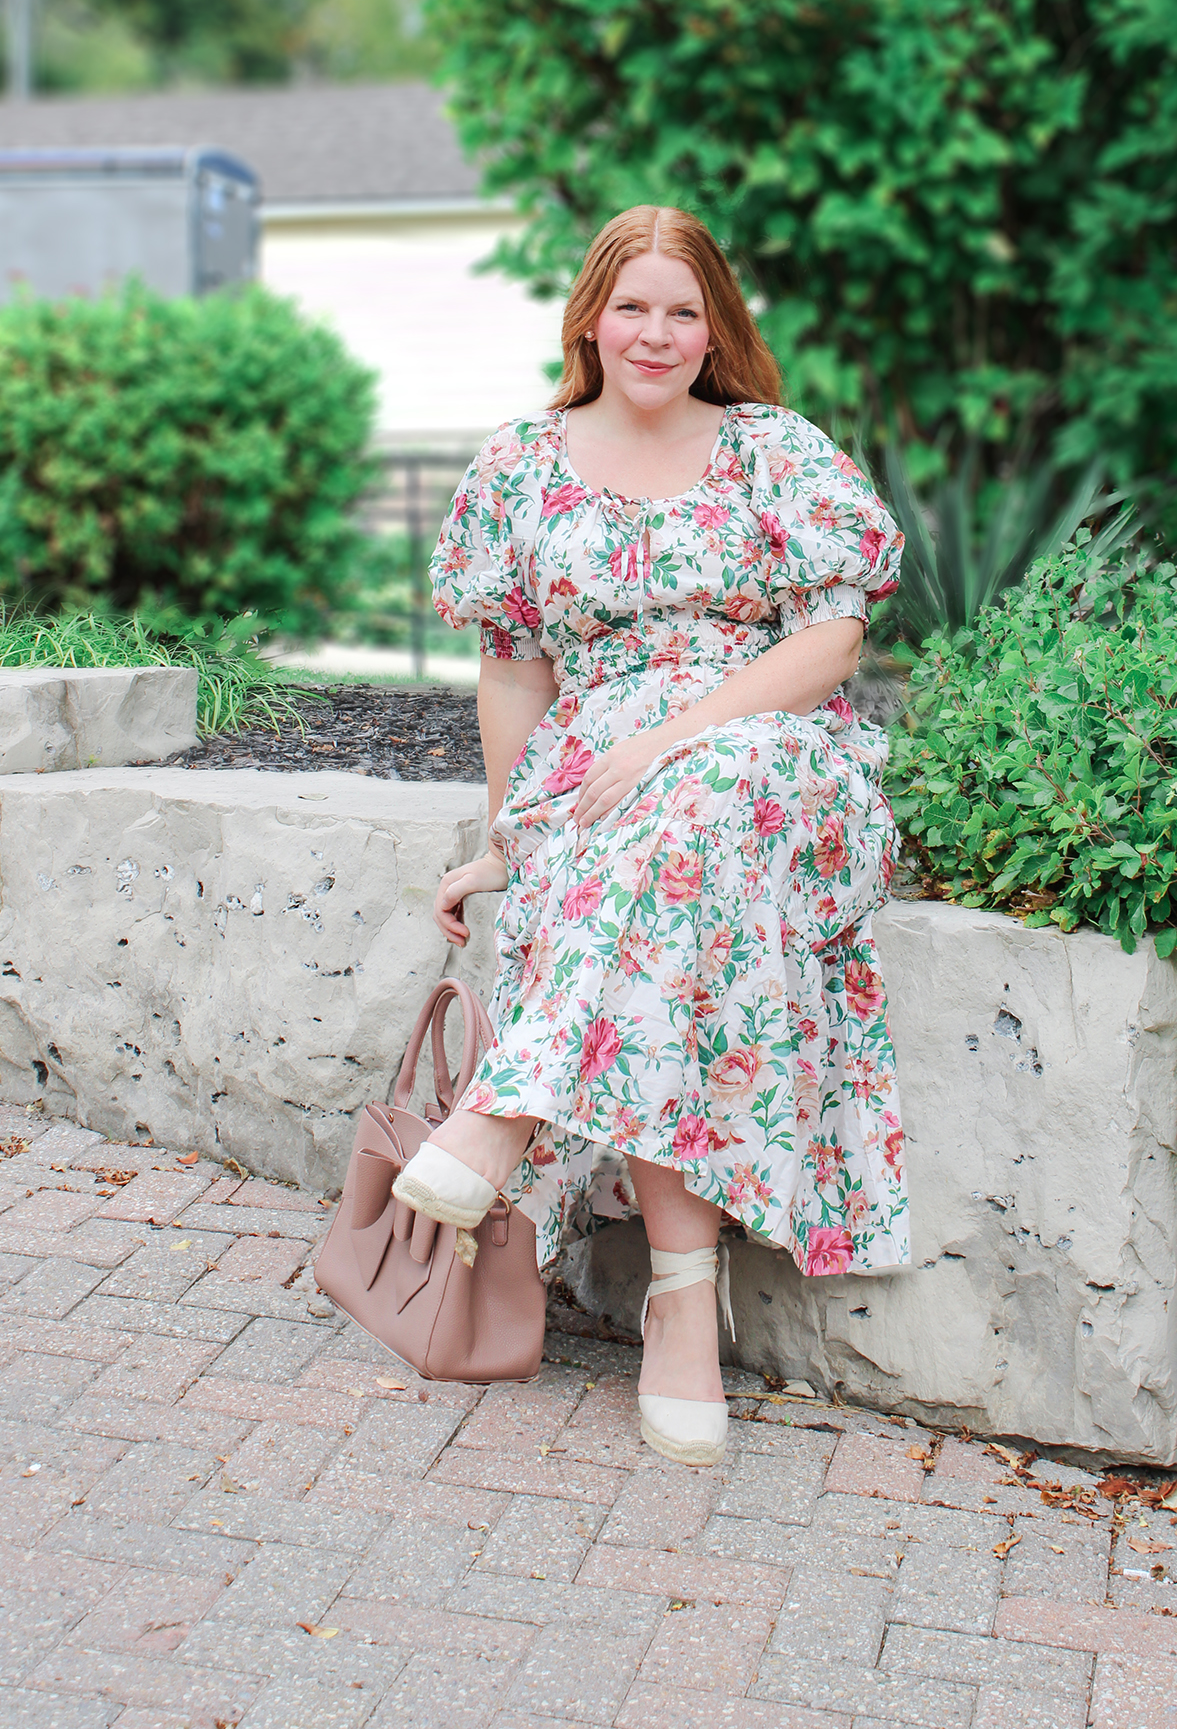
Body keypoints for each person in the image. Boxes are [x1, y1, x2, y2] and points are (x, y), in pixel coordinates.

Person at [395, 203, 909, 1466]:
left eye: (685, 311)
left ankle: (505, 1112)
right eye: (634, 306)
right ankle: (685, 1305)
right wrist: (513, 840)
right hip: (595, 782)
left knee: (696, 818)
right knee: (667, 883)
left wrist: (671, 738)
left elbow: (832, 640)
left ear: (715, 326)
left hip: (778, 747)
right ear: (590, 316)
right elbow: (513, 672)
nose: (657, 333)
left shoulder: (774, 450)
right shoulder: (520, 465)